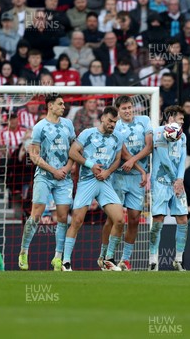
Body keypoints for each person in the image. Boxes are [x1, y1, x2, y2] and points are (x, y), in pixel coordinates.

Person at [18, 94, 76, 272]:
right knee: (36, 214)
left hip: (64, 177)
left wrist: (66, 168)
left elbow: (74, 149)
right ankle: (24, 251)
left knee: (62, 217)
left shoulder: (68, 125)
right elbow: (34, 155)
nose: (63, 107)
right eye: (60, 104)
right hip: (44, 176)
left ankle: (58, 258)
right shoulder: (39, 127)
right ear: (50, 106)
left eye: (64, 104)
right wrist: (54, 171)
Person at [65, 106, 125, 272]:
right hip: (87, 181)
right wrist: (90, 165)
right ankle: (66, 262)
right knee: (77, 220)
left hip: (105, 182)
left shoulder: (118, 137)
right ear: (103, 118)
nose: (113, 124)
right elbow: (72, 152)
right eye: (111, 121)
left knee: (119, 220)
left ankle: (108, 259)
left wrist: (107, 172)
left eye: (115, 122)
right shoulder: (88, 133)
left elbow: (118, 159)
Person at [99, 96, 151, 271]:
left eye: (130, 108)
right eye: (124, 109)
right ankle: (105, 255)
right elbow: (122, 152)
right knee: (114, 218)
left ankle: (125, 259)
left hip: (137, 178)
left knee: (135, 219)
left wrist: (134, 163)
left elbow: (149, 146)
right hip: (118, 177)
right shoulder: (116, 126)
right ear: (118, 110)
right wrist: (132, 163)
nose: (128, 111)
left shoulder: (144, 121)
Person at [149, 105, 189, 272]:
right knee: (158, 220)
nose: (182, 122)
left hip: (177, 183)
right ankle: (152, 260)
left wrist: (180, 179)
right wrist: (175, 180)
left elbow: (182, 159)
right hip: (160, 182)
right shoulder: (159, 132)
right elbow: (164, 159)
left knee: (183, 220)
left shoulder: (183, 136)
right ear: (171, 118)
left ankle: (178, 260)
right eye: (180, 119)